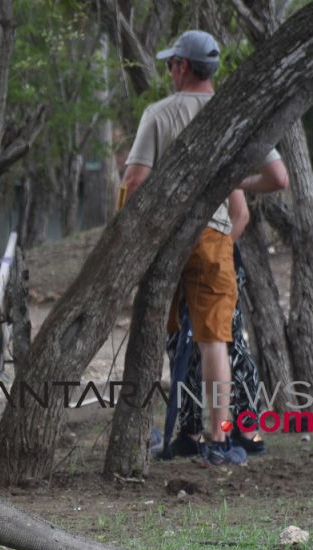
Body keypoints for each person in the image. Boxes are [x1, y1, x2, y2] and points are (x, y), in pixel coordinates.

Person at [123, 30, 288, 466]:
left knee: (172, 336)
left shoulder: (159, 114)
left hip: (165, 238)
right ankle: (216, 438)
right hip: (214, 236)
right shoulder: (237, 117)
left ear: (181, 66)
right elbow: (279, 178)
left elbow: (135, 182)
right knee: (215, 341)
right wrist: (236, 181)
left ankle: (180, 431)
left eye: (169, 64)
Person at [167, 190, 267, 456]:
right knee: (181, 346)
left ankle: (244, 432)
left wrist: (218, 252)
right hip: (195, 261)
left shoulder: (220, 160)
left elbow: (241, 214)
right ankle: (191, 433)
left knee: (230, 349)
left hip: (219, 260)